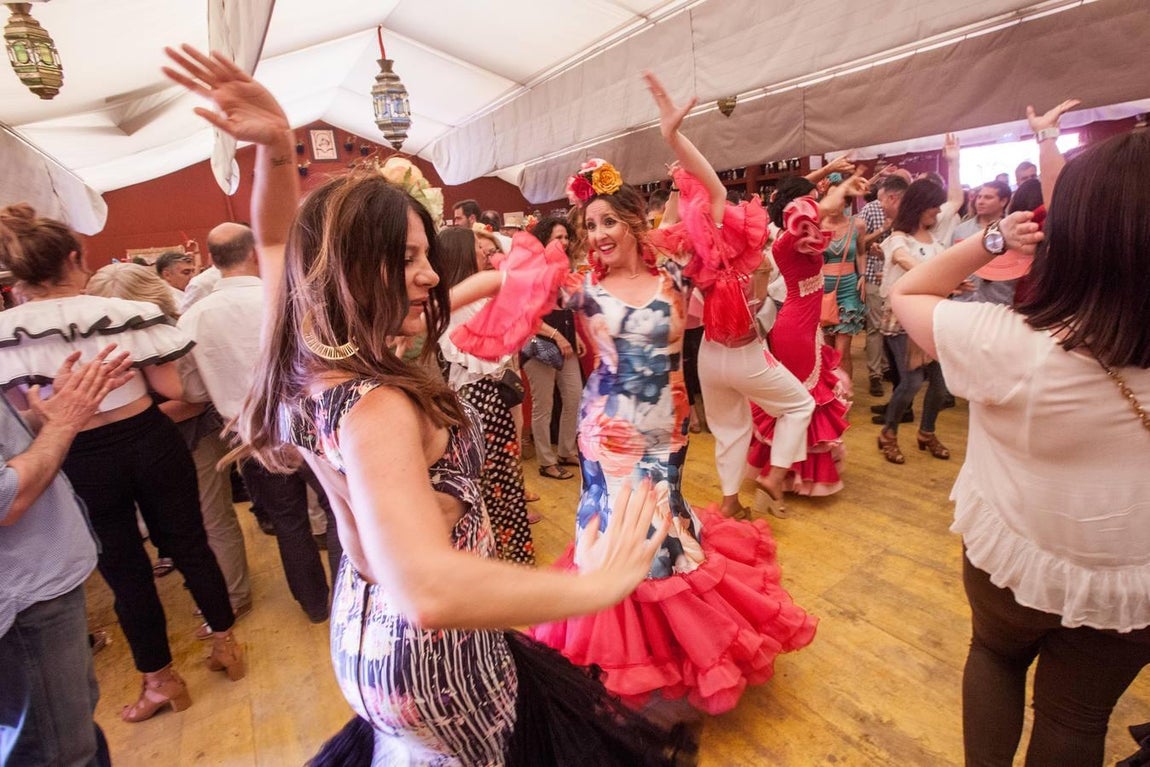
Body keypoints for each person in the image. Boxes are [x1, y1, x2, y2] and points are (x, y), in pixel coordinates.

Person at [164, 44, 689, 766]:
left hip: (368, 637)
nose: (427, 276)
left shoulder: (308, 357)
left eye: (425, 256)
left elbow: (278, 237)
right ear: (350, 267)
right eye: (408, 257)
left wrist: (278, 152)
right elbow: (427, 587)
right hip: (434, 660)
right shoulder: (375, 402)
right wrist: (596, 585)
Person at [523, 72, 817, 718]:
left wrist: (675, 138)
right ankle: (622, 663)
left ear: (632, 221)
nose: (596, 234)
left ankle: (672, 662)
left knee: (663, 537)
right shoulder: (577, 289)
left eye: (606, 221)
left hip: (667, 431)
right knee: (616, 540)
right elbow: (511, 303)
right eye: (587, 224)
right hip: (607, 435)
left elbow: (718, 204)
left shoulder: (675, 275)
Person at [891, 103, 1150, 767]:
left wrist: (994, 240)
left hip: (1016, 550)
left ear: (1073, 233)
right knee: (1076, 719)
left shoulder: (1011, 345)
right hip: (1132, 578)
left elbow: (911, 293)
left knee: (996, 656)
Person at [0, 203, 244, 723]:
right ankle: (225, 644)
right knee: (190, 543)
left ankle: (160, 679)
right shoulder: (119, 313)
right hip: (150, 439)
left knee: (125, 571)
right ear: (74, 258)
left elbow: (27, 420)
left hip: (77, 454)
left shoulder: (8, 332)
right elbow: (172, 389)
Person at [644, 78, 815, 520]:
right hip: (744, 353)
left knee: (730, 429)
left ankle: (729, 502)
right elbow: (714, 188)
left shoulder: (680, 244)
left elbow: (671, 220)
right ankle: (775, 477)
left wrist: (679, 184)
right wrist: (673, 138)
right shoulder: (722, 235)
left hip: (708, 357)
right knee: (800, 404)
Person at [179, 221, 336, 625]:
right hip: (309, 422)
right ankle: (349, 595)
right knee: (337, 508)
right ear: (253, 253)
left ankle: (315, 606)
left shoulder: (193, 316)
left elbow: (193, 391)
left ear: (213, 260)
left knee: (288, 521)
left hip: (247, 432)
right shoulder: (288, 298)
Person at [0, 346, 131, 767]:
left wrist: (38, 423)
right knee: (59, 750)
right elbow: (8, 498)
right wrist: (66, 422)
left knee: (71, 729)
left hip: (33, 592)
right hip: (22, 602)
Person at [747, 173, 866, 497]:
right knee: (801, 401)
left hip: (805, 326)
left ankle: (784, 475)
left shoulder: (796, 238)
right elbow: (821, 210)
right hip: (796, 328)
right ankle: (777, 477)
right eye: (810, 200)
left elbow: (820, 213)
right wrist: (841, 189)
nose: (817, 204)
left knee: (801, 401)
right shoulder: (787, 240)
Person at [437, 226, 538, 561]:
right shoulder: (461, 305)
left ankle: (503, 555)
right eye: (477, 248)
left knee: (499, 478)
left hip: (480, 397)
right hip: (479, 400)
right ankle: (507, 557)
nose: (485, 253)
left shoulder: (459, 300)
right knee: (496, 480)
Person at [875, 178, 953, 464]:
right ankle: (889, 433)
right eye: (933, 206)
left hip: (934, 316)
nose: (937, 210)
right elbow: (903, 259)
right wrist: (942, 277)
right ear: (920, 206)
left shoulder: (936, 241)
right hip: (902, 318)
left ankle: (926, 432)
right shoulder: (898, 237)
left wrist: (955, 280)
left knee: (940, 384)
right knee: (910, 382)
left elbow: (946, 267)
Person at [524, 216, 582, 481]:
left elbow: (566, 307)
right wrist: (558, 336)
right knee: (543, 405)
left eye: (566, 237)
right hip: (540, 344)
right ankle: (546, 461)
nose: (564, 242)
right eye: (558, 237)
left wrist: (575, 334)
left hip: (566, 339)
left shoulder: (563, 269)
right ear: (544, 239)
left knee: (574, 396)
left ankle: (566, 450)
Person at [819, 174, 869, 385]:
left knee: (843, 350)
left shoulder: (857, 225)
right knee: (828, 350)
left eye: (837, 198)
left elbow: (861, 252)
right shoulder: (818, 226)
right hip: (823, 290)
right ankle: (832, 391)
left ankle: (844, 395)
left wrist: (863, 276)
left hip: (848, 287)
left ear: (846, 201)